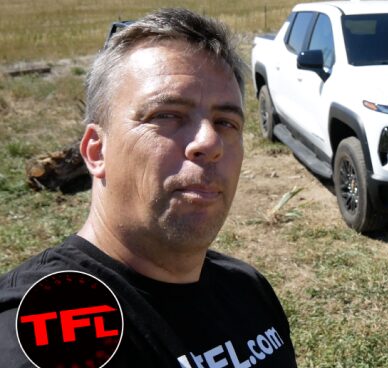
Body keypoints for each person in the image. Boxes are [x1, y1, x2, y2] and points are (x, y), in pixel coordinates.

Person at [0, 8, 298, 367]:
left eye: (226, 121)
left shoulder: (247, 288)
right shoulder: (50, 323)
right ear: (97, 151)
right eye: (166, 114)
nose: (209, 140)